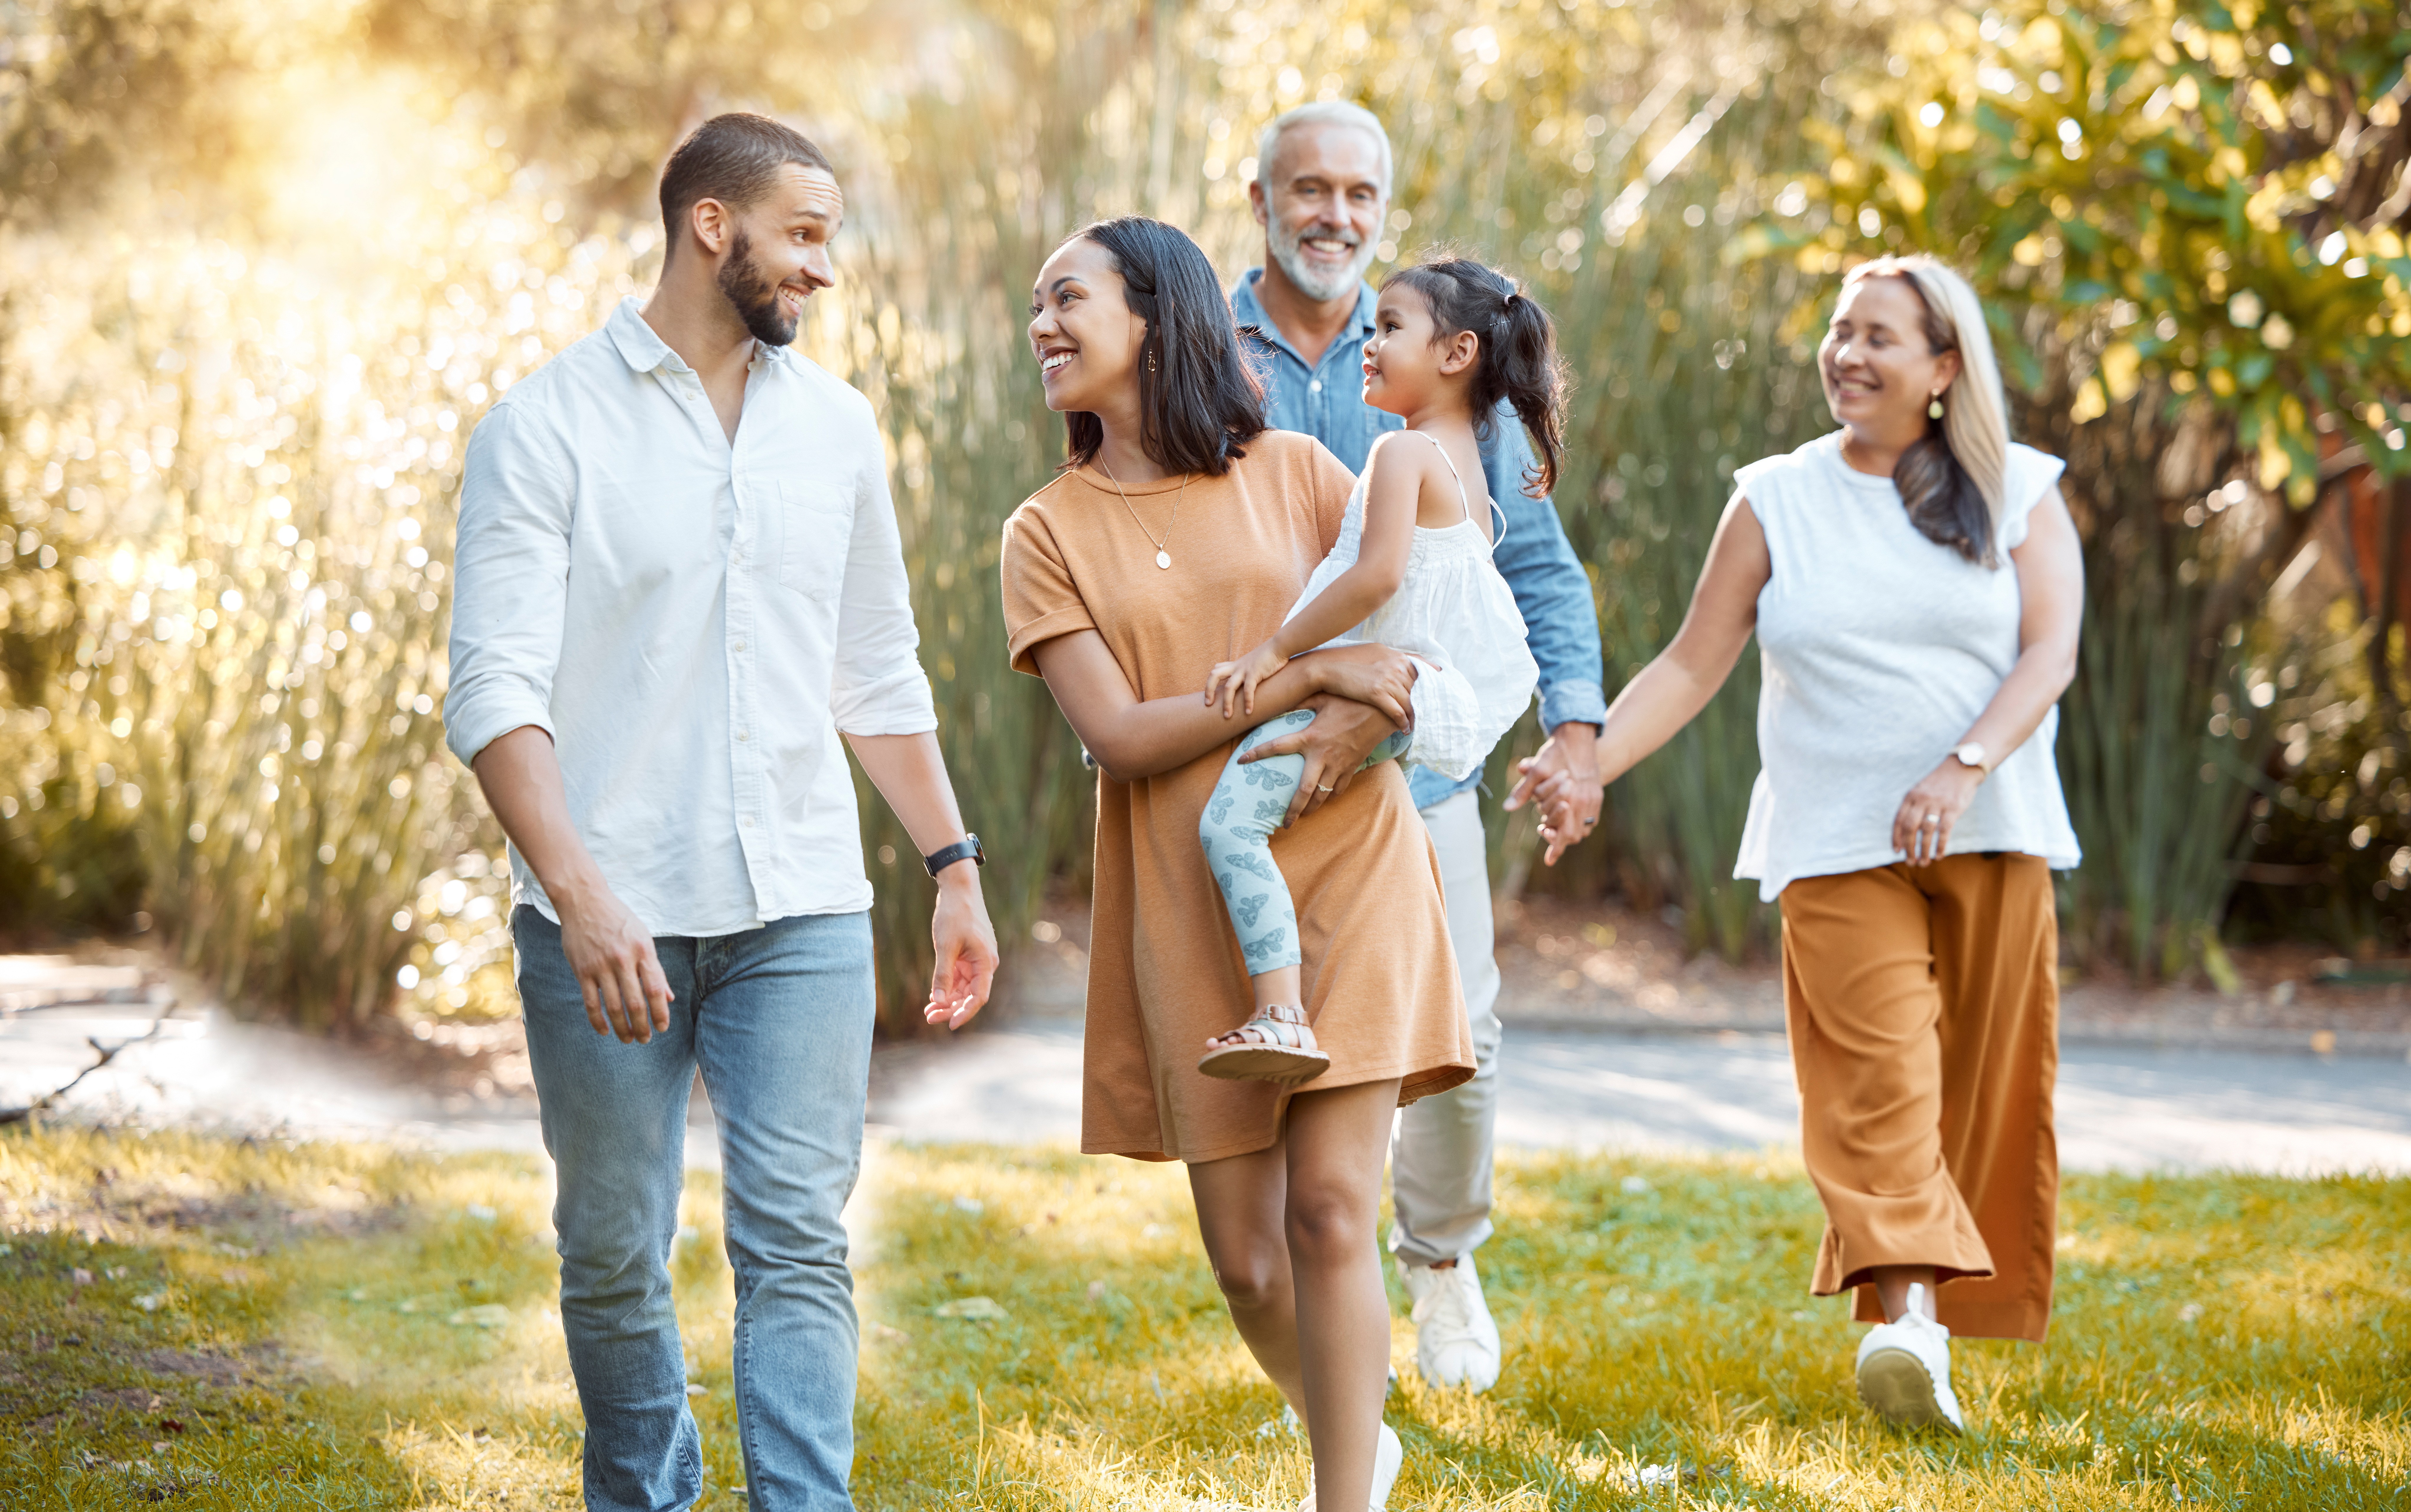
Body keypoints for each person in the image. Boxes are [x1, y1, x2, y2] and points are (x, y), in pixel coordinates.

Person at [443, 113, 1001, 1510]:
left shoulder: (838, 427)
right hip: (607, 909)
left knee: (799, 1240)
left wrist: (954, 862)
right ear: (714, 226)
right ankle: (645, 1492)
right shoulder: (545, 426)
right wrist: (577, 893)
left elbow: (873, 667)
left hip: (805, 903)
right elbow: (495, 694)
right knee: (616, 1249)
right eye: (803, 233)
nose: (824, 267)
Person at [1001, 215, 1473, 1511]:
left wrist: (1380, 696)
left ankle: (1342, 1495)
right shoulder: (1045, 531)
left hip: (1351, 861)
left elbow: (1423, 627)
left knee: (1330, 1209)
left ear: (1157, 310)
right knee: (1250, 1261)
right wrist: (1306, 667)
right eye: (1037, 306)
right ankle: (1353, 1431)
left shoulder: (1302, 469)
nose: (1041, 324)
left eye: (1067, 297)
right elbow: (1122, 733)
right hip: (1185, 889)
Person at [1586, 253, 2083, 1431]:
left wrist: (1961, 769)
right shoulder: (1775, 495)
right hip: (1830, 836)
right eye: (1840, 330)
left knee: (1981, 1085)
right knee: (1876, 1083)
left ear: (1944, 368)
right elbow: (1693, 663)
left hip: (1992, 825)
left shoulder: (2019, 489)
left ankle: (1942, 1321)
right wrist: (1584, 759)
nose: (1848, 354)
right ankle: (1910, 1323)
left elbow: (2048, 654)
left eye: (1880, 336)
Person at [1229, 100, 1607, 1393]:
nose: (1335, 213)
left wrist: (1578, 727)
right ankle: (1308, 1285)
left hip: (1424, 767)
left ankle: (1439, 1259)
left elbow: (1530, 572)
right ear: (1263, 196)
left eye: (1360, 193)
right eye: (1310, 188)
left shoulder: (1453, 381)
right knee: (1289, 1023)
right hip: (1268, 744)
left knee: (1462, 1030)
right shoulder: (1204, 350)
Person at [1195, 256, 1557, 1086]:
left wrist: (1275, 651)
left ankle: (1280, 1012)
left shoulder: (1405, 454)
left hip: (1381, 688)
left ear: (1458, 352)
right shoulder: (1463, 457)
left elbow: (1375, 576)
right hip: (1411, 703)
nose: (1370, 339)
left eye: (1391, 326)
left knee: (1229, 826)